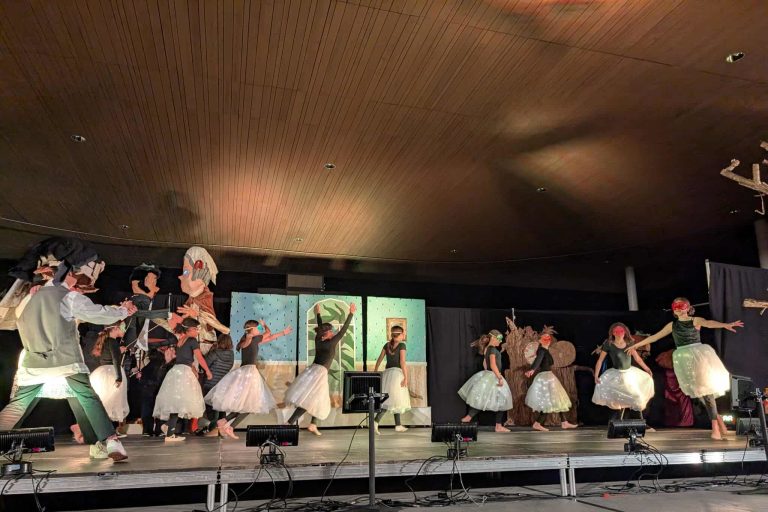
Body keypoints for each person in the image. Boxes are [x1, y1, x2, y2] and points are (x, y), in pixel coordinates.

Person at [0, 236, 136, 461]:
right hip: (65, 361)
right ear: (67, 272)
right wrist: (124, 311)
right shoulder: (68, 297)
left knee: (18, 405)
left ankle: (98, 444)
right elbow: (99, 314)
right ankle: (110, 442)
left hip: (33, 364)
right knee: (87, 398)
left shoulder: (25, 301)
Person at [628, 298, 743, 440]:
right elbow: (656, 337)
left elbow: (708, 323)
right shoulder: (672, 325)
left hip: (699, 357)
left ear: (688, 308)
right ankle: (721, 425)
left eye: (681, 307)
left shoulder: (695, 320)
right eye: (676, 307)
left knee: (707, 393)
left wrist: (725, 325)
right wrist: (636, 345)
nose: (679, 310)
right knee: (701, 393)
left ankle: (716, 429)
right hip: (685, 359)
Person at [205, 320, 292, 438]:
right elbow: (267, 333)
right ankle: (230, 426)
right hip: (249, 374)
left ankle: (224, 421)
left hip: (246, 373)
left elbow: (269, 336)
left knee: (247, 405)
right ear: (251, 329)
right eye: (258, 328)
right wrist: (262, 326)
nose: (260, 330)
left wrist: (282, 333)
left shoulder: (250, 340)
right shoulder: (250, 339)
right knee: (250, 405)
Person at [285, 303, 356, 436]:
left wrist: (318, 314)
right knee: (312, 399)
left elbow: (321, 327)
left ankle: (312, 424)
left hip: (312, 371)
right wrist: (351, 314)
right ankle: (291, 422)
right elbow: (343, 331)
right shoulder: (331, 343)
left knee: (316, 398)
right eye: (330, 331)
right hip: (319, 373)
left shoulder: (318, 339)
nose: (332, 332)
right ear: (326, 333)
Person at [152, 318, 213, 441]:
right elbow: (199, 357)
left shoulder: (181, 340)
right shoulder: (191, 340)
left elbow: (185, 359)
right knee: (182, 402)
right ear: (189, 329)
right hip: (184, 373)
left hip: (176, 371)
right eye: (196, 329)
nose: (197, 331)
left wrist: (193, 369)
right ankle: (170, 432)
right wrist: (207, 370)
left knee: (178, 403)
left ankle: (169, 429)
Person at [592, 323, 654, 422]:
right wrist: (596, 375)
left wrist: (647, 369)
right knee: (617, 400)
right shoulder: (609, 344)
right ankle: (616, 424)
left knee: (636, 397)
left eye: (621, 331)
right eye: (616, 331)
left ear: (625, 332)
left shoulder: (629, 343)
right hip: (616, 375)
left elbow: (637, 359)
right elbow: (600, 360)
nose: (619, 333)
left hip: (629, 375)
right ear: (613, 333)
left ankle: (641, 423)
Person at [458, 330, 513, 432]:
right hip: (494, 376)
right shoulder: (492, 349)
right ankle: (498, 426)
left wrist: (487, 372)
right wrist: (499, 377)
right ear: (493, 338)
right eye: (499, 339)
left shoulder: (488, 348)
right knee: (503, 399)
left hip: (489, 375)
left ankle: (468, 418)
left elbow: (485, 363)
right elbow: (492, 364)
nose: (500, 341)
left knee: (483, 399)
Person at [525, 333, 578, 431]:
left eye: (548, 339)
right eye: (545, 339)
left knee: (558, 399)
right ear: (541, 341)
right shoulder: (542, 350)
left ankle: (564, 422)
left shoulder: (545, 350)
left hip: (548, 376)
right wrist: (532, 369)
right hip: (545, 378)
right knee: (549, 401)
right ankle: (537, 423)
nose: (548, 341)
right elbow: (538, 360)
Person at [373, 325, 411, 434]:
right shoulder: (402, 345)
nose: (404, 335)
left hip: (388, 374)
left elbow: (379, 359)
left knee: (394, 400)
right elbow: (402, 362)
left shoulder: (387, 345)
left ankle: (398, 425)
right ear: (399, 335)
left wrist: (375, 370)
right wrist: (406, 377)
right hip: (396, 374)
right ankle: (375, 421)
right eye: (403, 333)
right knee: (390, 399)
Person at [89, 322, 130, 423]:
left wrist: (118, 351)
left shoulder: (105, 340)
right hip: (112, 373)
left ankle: (102, 425)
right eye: (122, 327)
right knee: (112, 402)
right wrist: (119, 377)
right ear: (115, 328)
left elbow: (108, 356)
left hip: (102, 373)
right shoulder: (112, 341)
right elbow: (115, 360)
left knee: (104, 401)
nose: (124, 330)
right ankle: (107, 427)